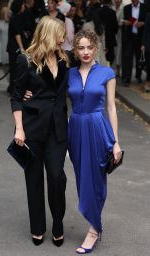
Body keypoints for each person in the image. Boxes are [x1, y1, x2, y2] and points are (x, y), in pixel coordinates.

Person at [10, 16, 69, 247]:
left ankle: (58, 223)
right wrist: (19, 129)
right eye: (60, 34)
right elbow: (16, 97)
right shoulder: (26, 60)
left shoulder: (65, 59)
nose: (64, 39)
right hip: (32, 130)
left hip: (57, 129)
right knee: (33, 180)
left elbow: (85, 64)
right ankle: (37, 228)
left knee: (57, 177)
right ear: (48, 34)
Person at [68, 30, 122, 254]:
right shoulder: (68, 74)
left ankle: (94, 229)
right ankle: (94, 223)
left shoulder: (107, 73)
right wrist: (27, 92)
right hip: (76, 130)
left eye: (89, 47)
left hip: (98, 129)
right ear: (75, 51)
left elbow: (111, 107)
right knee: (82, 179)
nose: (85, 52)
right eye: (80, 48)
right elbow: (53, 98)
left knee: (96, 180)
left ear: (96, 48)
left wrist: (116, 142)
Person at [121, 0, 149, 85]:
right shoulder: (126, 8)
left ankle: (138, 75)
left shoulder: (145, 7)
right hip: (129, 36)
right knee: (127, 57)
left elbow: (148, 21)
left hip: (140, 37)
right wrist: (125, 22)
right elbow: (124, 19)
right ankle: (126, 77)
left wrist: (143, 23)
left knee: (139, 57)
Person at [7, 0, 26, 95]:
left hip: (12, 47)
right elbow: (17, 34)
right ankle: (13, 89)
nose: (24, 7)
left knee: (14, 68)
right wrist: (22, 48)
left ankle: (12, 87)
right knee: (15, 69)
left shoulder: (16, 17)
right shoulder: (16, 18)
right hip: (14, 48)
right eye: (23, 5)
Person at [0, 0, 9, 64]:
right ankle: (5, 59)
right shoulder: (6, 8)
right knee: (5, 43)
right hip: (4, 25)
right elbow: (6, 19)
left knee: (0, 43)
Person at [141, 12, 150, 92]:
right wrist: (143, 44)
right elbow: (146, 30)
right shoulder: (148, 15)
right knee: (149, 65)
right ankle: (147, 83)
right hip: (149, 44)